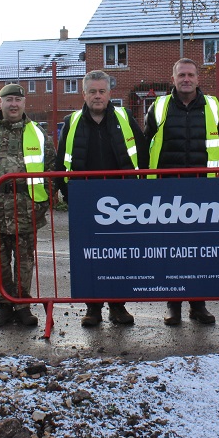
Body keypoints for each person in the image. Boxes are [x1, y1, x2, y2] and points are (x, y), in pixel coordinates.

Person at [55, 70, 148, 327]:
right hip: (85, 201)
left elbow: (141, 155)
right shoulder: (71, 122)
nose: (97, 96)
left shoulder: (125, 118)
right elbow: (61, 161)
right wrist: (65, 190)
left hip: (123, 202)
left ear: (109, 94)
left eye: (102, 91)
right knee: (89, 256)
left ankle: (118, 306)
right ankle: (92, 308)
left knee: (120, 255)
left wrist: (139, 189)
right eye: (92, 92)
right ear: (84, 94)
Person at [144, 58, 219, 325]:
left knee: (199, 249)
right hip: (167, 189)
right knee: (170, 249)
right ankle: (173, 306)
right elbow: (148, 142)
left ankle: (198, 305)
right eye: (181, 74)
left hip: (202, 188)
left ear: (198, 78)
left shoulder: (214, 107)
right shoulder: (158, 107)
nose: (186, 79)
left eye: (191, 74)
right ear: (173, 78)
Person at [0, 83, 56, 328]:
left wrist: (43, 202)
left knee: (25, 260)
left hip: (27, 208)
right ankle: (4, 305)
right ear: (0, 103)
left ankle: (23, 306)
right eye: (9, 100)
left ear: (24, 103)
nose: (13, 104)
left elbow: (51, 171)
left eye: (17, 99)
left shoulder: (37, 133)